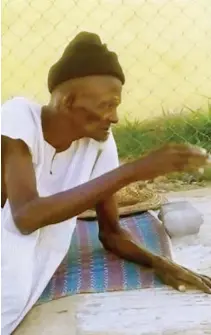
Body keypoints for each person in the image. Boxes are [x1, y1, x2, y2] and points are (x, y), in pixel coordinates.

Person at [1, 31, 211, 334]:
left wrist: (160, 262)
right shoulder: (18, 118)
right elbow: (25, 216)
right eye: (106, 105)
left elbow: (111, 233)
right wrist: (132, 171)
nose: (114, 118)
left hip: (22, 285)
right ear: (67, 100)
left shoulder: (98, 145)